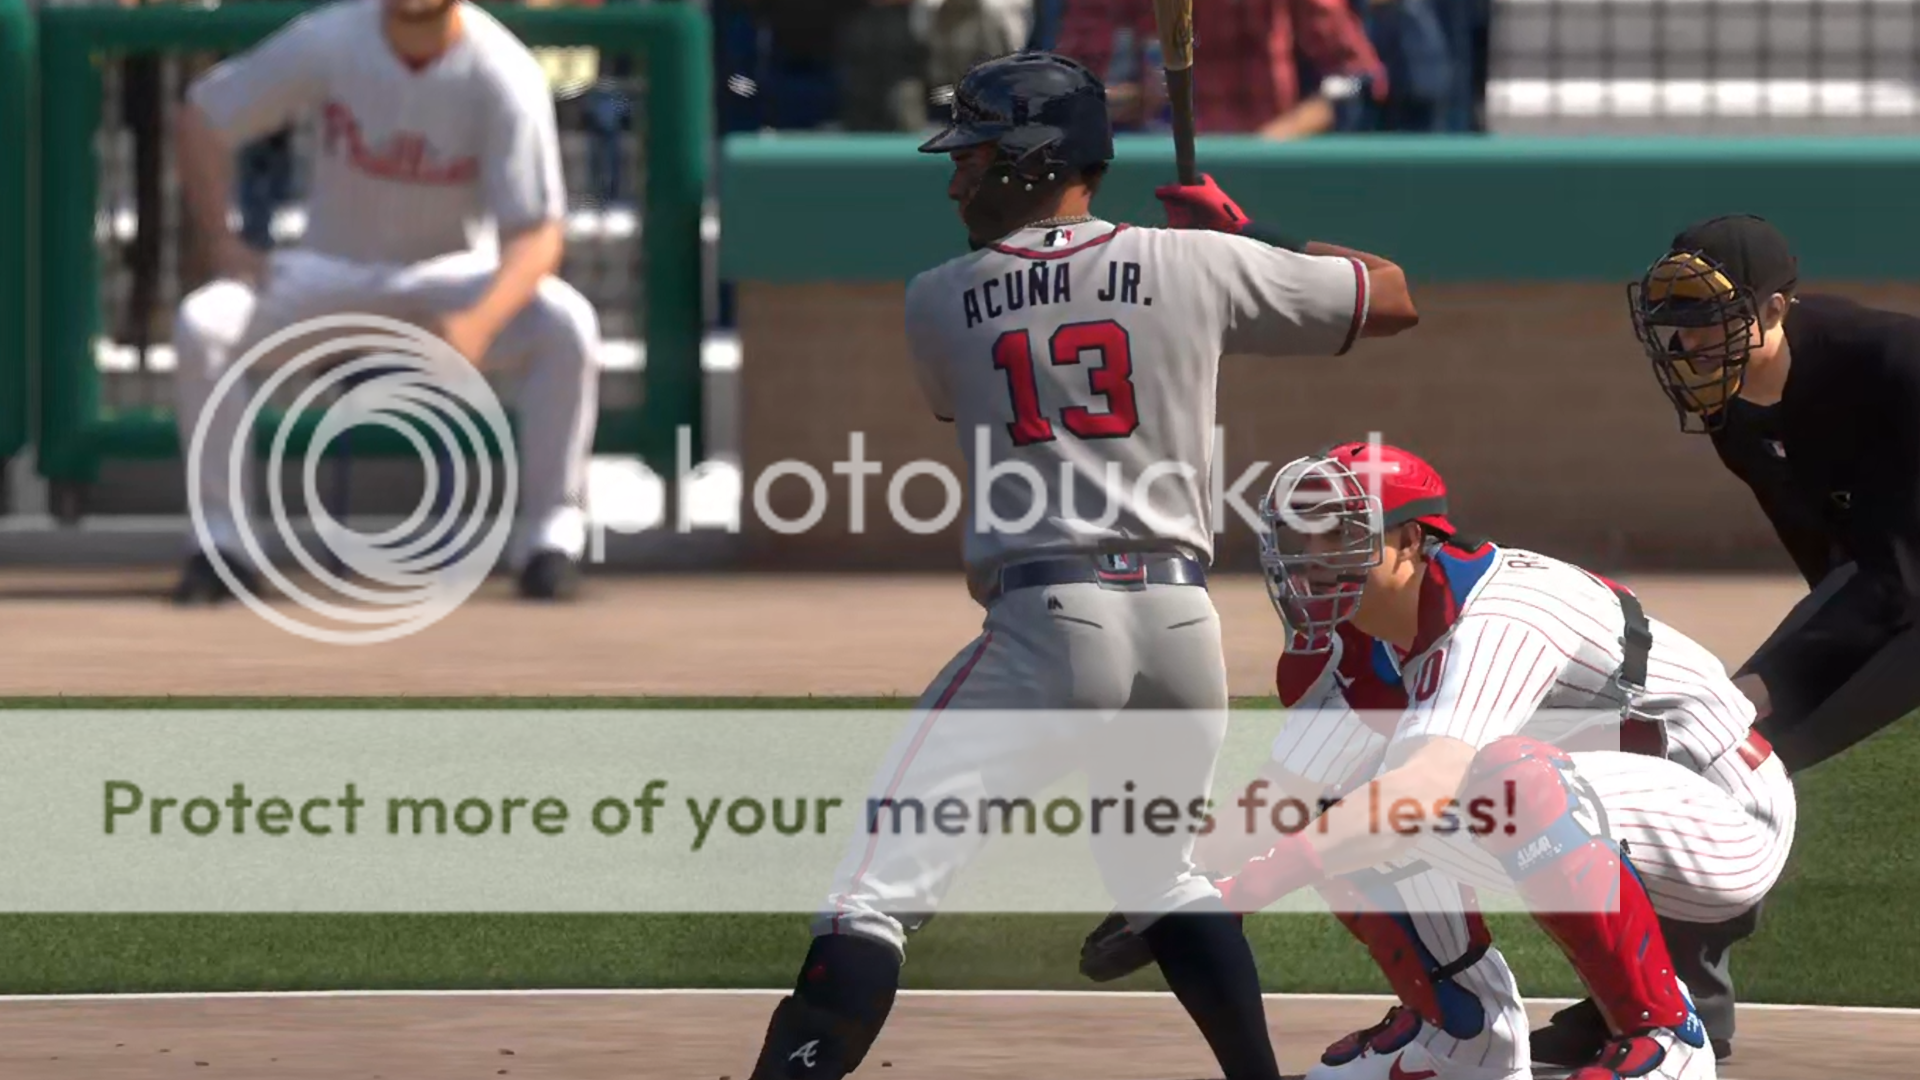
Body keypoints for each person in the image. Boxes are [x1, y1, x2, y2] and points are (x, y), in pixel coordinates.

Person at [744, 51, 1419, 1080]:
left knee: (874, 896)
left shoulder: (939, 297)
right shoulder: (1197, 262)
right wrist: (1238, 241)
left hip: (1050, 622)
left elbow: (974, 386)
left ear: (1029, 159)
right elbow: (1392, 297)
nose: (955, 178)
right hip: (1184, 634)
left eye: (973, 156)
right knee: (1162, 875)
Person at [1076, 440, 1795, 1080]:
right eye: (1302, 537)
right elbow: (1285, 793)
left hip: (1723, 812)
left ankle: (1665, 1039)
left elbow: (1420, 792)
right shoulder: (1369, 636)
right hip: (1604, 809)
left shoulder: (1504, 612)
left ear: (1413, 541)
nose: (1312, 558)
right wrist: (1176, 891)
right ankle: (1465, 1035)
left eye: (1340, 535)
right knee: (1341, 800)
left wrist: (1248, 891)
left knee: (1502, 781)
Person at [1527, 213, 1920, 1071]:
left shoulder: (1895, 364)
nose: (1690, 339)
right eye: (1676, 316)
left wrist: (1758, 685)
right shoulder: (1733, 412)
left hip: (1908, 582)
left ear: (1776, 306)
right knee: (1717, 764)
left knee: (1723, 743)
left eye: (1709, 313)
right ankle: (1659, 1005)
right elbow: (1832, 562)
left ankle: (1663, 1007)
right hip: (1892, 587)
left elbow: (1896, 575)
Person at [168, 0, 600, 604]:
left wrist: (479, 322)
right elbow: (203, 115)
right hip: (331, 273)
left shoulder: (502, 67)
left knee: (567, 325)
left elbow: (537, 233)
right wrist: (221, 240)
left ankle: (551, 539)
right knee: (204, 324)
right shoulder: (332, 38)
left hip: (450, 278)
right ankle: (222, 544)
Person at [1054, 0, 1387, 138]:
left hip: (1263, 168)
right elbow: (1066, 90)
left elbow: (1357, 78)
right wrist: (1132, 101)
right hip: (1154, 175)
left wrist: (1270, 144)